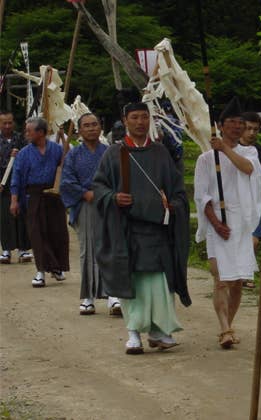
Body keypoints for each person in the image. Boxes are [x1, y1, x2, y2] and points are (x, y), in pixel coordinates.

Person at [92, 102, 191, 354]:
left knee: (160, 282)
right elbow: (99, 187)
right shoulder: (114, 153)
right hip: (127, 230)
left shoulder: (160, 153)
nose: (140, 122)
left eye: (144, 117)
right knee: (131, 281)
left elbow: (178, 192)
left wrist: (173, 205)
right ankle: (133, 333)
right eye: (134, 117)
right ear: (125, 120)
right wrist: (114, 198)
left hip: (158, 230)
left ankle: (160, 332)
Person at [194, 97, 261, 349]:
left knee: (236, 280)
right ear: (221, 126)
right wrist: (215, 223)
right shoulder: (205, 159)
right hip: (218, 223)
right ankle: (224, 328)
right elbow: (202, 197)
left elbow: (247, 169)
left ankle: (229, 324)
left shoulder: (249, 152)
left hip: (242, 222)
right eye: (231, 122)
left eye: (239, 123)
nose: (236, 126)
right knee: (221, 278)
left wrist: (225, 150)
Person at [60, 113, 121, 316]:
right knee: (88, 250)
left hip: (108, 204)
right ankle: (88, 297)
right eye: (87, 125)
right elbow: (67, 181)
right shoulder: (73, 155)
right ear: (79, 130)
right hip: (85, 205)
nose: (92, 128)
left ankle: (113, 295)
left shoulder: (110, 152)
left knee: (110, 247)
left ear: (100, 128)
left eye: (95, 124)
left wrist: (108, 194)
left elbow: (119, 177)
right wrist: (84, 193)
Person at [10, 117, 69, 287]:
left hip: (54, 194)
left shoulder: (57, 149)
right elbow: (16, 178)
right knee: (37, 233)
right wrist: (14, 201)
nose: (26, 134)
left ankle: (57, 267)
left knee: (56, 232)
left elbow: (66, 167)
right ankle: (41, 271)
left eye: (29, 131)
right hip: (33, 195)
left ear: (41, 133)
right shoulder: (23, 153)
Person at [239, 111, 261, 289]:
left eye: (255, 129)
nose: (251, 133)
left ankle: (246, 273)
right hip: (235, 202)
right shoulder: (231, 148)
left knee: (253, 239)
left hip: (253, 203)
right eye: (248, 128)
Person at [0, 111, 31, 264]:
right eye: (4, 123)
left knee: (22, 215)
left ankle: (23, 249)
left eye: (10, 122)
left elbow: (28, 158)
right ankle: (6, 250)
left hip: (21, 185)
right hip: (2, 186)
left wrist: (18, 156)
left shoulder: (21, 138)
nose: (7, 126)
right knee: (5, 217)